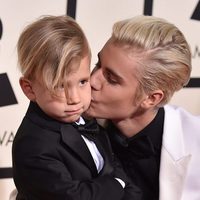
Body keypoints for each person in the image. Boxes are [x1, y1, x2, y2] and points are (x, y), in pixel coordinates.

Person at [12, 15, 141, 200]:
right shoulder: (33, 145)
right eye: (59, 86)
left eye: (82, 81)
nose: (74, 99)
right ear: (29, 88)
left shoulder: (88, 119)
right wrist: (115, 185)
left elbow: (120, 174)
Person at [86, 15, 200, 200]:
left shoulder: (195, 140)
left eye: (111, 79)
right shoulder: (67, 127)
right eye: (98, 64)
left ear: (151, 98)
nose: (92, 80)